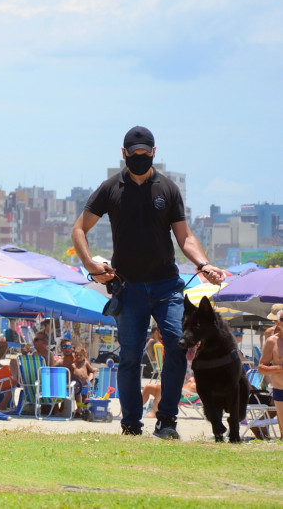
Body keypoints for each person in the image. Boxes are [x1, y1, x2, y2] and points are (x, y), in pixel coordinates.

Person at [72, 125, 224, 440]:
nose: (139, 159)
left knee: (178, 347)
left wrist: (203, 263)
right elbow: (79, 229)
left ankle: (167, 421)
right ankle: (131, 424)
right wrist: (90, 264)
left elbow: (185, 236)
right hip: (129, 287)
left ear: (154, 153)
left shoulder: (167, 189)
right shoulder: (110, 188)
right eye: (134, 154)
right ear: (124, 153)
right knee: (129, 355)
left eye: (145, 154)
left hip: (168, 285)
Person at [258, 305, 283, 438]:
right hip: (279, 387)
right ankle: (261, 424)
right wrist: (279, 369)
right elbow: (261, 367)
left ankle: (261, 424)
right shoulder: (271, 338)